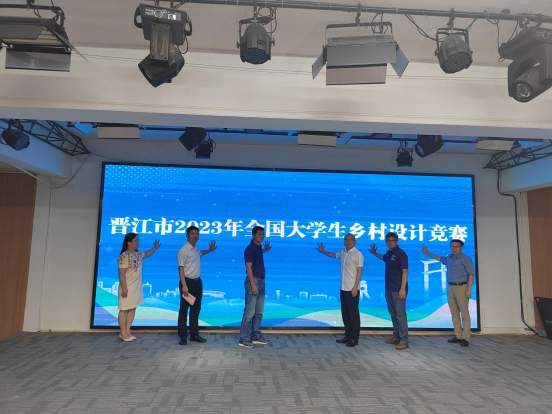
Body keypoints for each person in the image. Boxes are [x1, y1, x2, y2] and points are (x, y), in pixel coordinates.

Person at [422, 239, 475, 347]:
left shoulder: (466, 259)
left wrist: (469, 289)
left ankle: (466, 338)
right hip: (450, 287)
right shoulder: (449, 258)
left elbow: (471, 274)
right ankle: (458, 336)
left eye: (457, 246)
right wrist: (427, 253)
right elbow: (440, 259)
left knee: (464, 313)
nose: (454, 248)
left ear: (461, 248)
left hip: (462, 287)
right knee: (454, 313)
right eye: (452, 246)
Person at [317, 233, 364, 347]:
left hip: (352, 289)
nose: (348, 241)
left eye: (351, 239)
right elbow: (334, 255)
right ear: (344, 241)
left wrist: (355, 287)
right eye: (346, 239)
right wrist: (323, 252)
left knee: (353, 315)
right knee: (345, 314)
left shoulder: (358, 254)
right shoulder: (343, 252)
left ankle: (354, 338)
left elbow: (359, 272)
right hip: (343, 288)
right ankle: (347, 335)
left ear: (355, 241)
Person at [177, 226, 217, 346]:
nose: (195, 236)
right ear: (187, 236)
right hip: (187, 283)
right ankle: (183, 336)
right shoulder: (183, 250)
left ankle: (194, 335)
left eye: (197, 234)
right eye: (192, 234)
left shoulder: (195, 248)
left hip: (197, 283)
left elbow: (200, 254)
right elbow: (180, 269)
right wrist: (184, 285)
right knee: (184, 311)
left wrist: (210, 250)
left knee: (195, 310)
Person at [369, 232, 409, 350]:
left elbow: (405, 272)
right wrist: (374, 253)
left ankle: (404, 340)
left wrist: (402, 288)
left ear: (397, 241)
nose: (390, 242)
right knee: (393, 314)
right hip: (389, 288)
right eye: (388, 240)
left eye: (392, 240)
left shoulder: (401, 254)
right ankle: (396, 336)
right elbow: (384, 258)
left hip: (398, 289)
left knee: (400, 315)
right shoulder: (389, 253)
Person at [117, 233, 160, 341]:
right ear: (129, 242)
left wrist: (155, 248)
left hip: (136, 287)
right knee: (124, 309)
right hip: (127, 286)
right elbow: (121, 273)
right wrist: (124, 288)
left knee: (132, 308)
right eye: (136, 240)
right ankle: (122, 332)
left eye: (138, 240)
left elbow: (147, 253)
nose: (138, 242)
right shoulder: (124, 256)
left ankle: (128, 331)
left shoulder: (139, 254)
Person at [239, 226, 272, 348]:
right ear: (253, 235)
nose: (262, 236)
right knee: (249, 312)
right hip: (253, 281)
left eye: (263, 234)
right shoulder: (250, 249)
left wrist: (265, 250)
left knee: (259, 311)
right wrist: (253, 284)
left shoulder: (257, 248)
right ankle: (244, 338)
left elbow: (258, 255)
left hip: (261, 281)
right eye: (259, 234)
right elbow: (248, 268)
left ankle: (255, 335)